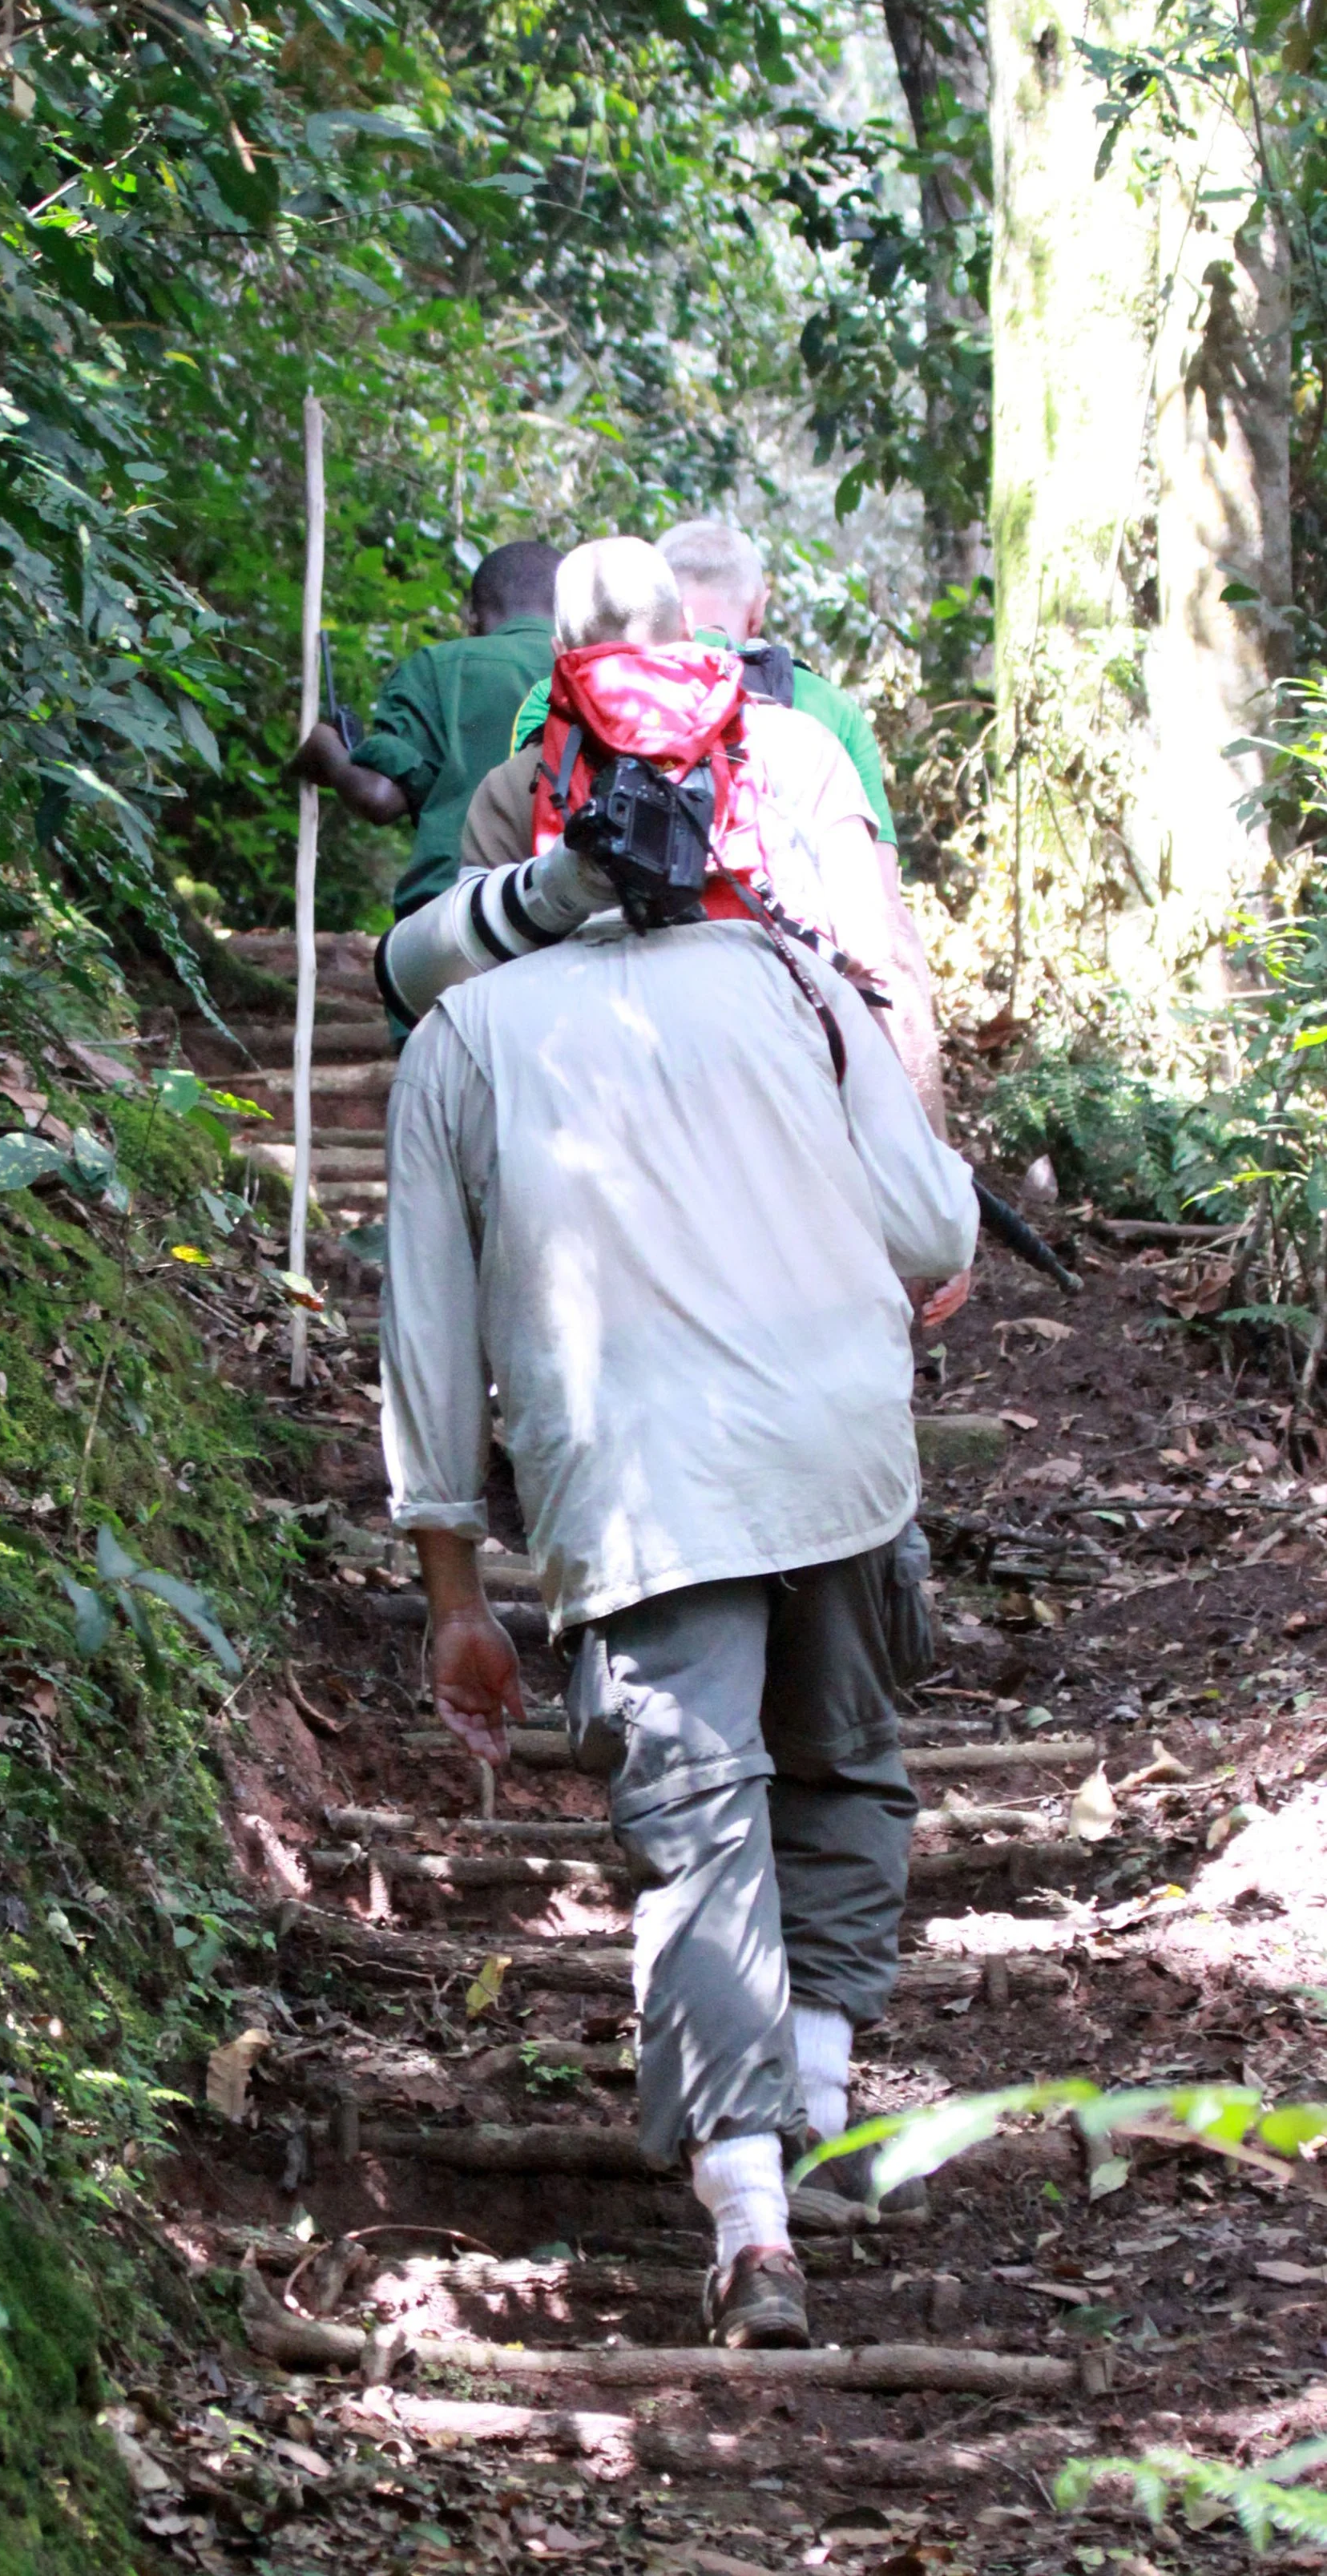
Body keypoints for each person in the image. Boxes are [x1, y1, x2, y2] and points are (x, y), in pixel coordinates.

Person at [381, 877, 978, 2348]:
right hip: (835, 1441)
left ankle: (752, 2220)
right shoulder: (790, 973)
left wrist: (459, 1595)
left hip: (633, 1472)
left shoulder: (457, 1033)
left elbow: (429, 1342)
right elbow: (925, 1225)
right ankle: (821, 2109)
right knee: (838, 1759)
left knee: (702, 1818)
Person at [486, 518, 945, 1127]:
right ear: (688, 626)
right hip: (775, 1089)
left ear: (559, 655)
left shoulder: (532, 760)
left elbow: (480, 967)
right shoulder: (814, 726)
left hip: (591, 1107)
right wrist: (926, 1158)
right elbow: (881, 949)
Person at [292, 539, 560, 937]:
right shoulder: (606, 678)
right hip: (571, 914)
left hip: (455, 919)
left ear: (471, 613)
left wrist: (325, 749)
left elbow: (378, 798)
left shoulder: (438, 668)